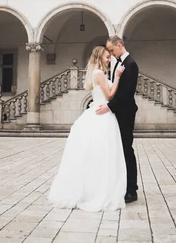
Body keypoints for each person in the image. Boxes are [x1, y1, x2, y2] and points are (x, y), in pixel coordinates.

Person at [47, 46, 127, 212]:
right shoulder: (99, 73)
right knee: (103, 153)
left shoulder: (95, 73)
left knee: (95, 154)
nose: (108, 59)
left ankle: (92, 188)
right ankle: (98, 191)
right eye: (106, 57)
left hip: (96, 111)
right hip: (102, 115)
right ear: (99, 58)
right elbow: (110, 95)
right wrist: (118, 77)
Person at [97, 35, 139, 204]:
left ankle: (132, 190)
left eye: (113, 50)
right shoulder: (121, 63)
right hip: (118, 113)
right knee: (120, 150)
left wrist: (110, 106)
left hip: (126, 113)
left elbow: (127, 93)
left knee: (127, 149)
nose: (112, 54)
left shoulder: (131, 64)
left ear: (120, 45)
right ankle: (123, 186)